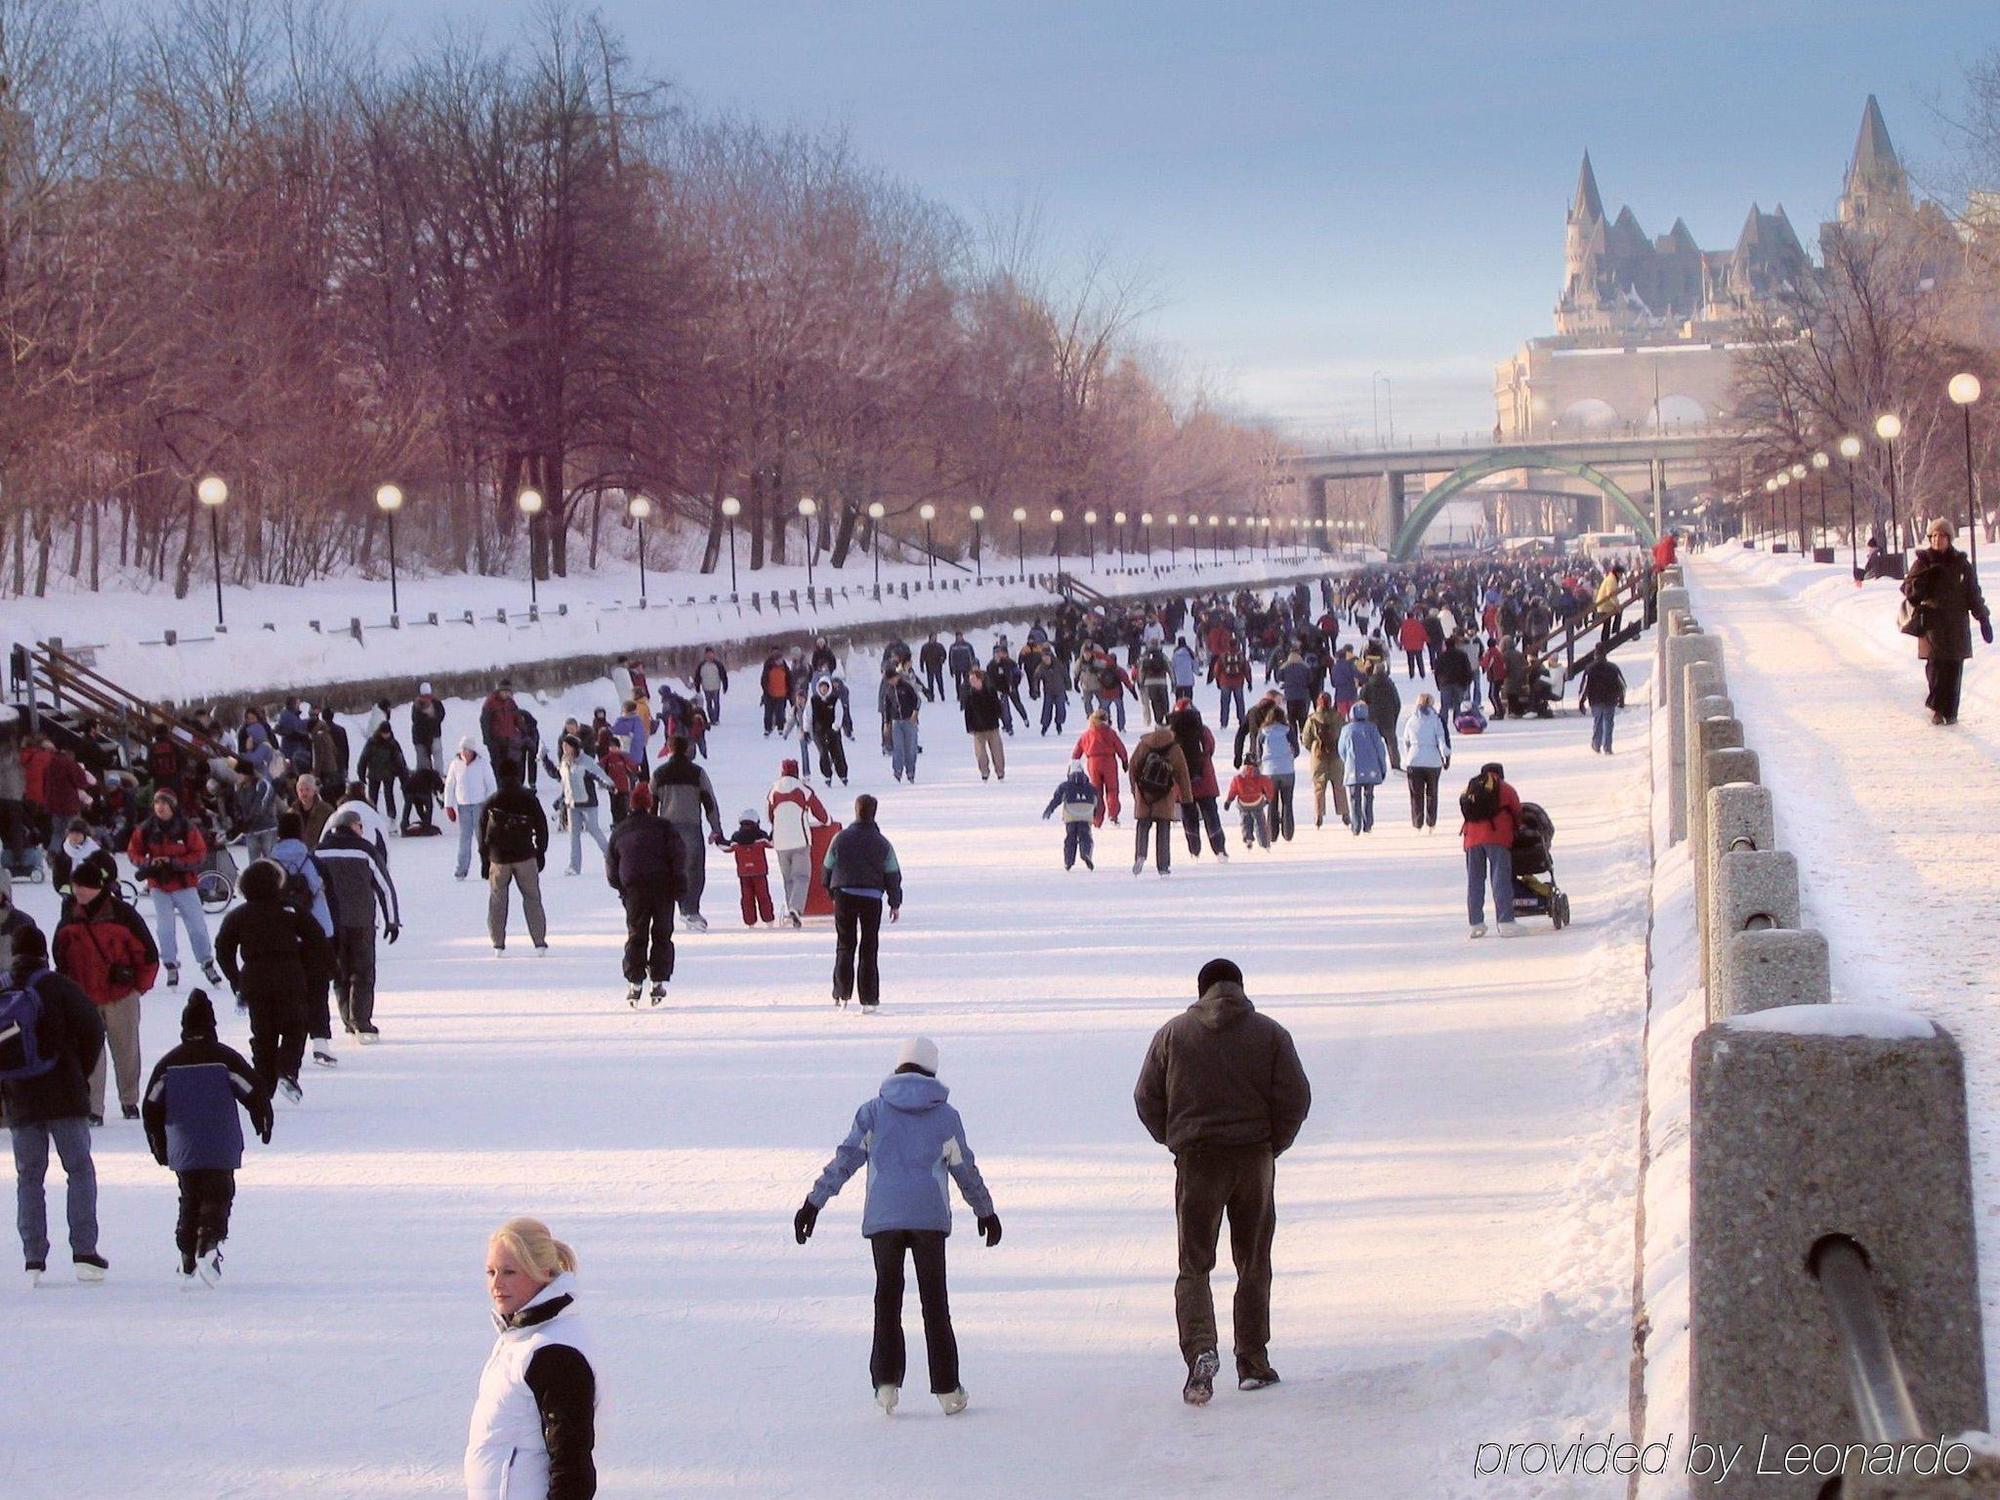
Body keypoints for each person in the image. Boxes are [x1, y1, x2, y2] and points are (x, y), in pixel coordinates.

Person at [1133, 958, 1311, 1405]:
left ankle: (1200, 1351)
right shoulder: (1271, 1034)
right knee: (1253, 1261)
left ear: (1201, 992)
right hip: (1254, 1159)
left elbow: (1145, 1096)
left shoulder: (1173, 1034)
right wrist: (1273, 1145)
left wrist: (1175, 1140)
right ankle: (1252, 1361)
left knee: (1195, 1265)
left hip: (1198, 1161)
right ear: (1240, 988)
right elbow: (1297, 1097)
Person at [792, 1036, 999, 1416]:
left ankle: (886, 1385)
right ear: (931, 1070)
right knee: (935, 1303)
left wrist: (813, 1202)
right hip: (929, 1219)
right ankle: (948, 1391)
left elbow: (845, 1160)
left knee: (887, 1299)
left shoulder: (873, 1112)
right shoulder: (945, 1116)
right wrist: (984, 1211)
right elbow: (964, 1170)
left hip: (884, 1220)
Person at [140, 989, 273, 1286]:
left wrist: (159, 1145)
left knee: (190, 1195)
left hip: (183, 1145)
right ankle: (208, 1243)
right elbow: (254, 1091)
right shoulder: (224, 1058)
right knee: (218, 1193)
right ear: (211, 1026)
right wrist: (262, 1119)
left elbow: (150, 1107)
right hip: (219, 1143)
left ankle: (187, 1253)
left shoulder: (168, 1064)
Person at [2, 926, 109, 1285]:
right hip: (65, 1093)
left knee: (29, 1177)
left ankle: (34, 1257)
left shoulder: (3, 990)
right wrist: (80, 1071)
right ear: (44, 951)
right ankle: (84, 1253)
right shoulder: (61, 987)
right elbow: (94, 1029)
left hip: (21, 1098)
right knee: (78, 1170)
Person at [466, 1218, 597, 1500]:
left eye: (510, 1272)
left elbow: (572, 1467)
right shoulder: (518, 1341)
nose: (496, 1284)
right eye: (491, 1272)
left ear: (543, 1272)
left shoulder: (554, 1352)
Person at [53, 851, 159, 1124]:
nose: (77, 891)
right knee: (89, 1055)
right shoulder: (70, 917)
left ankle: (129, 1100)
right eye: (75, 886)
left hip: (120, 997)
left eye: (82, 886)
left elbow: (147, 955)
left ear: (96, 887)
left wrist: (137, 988)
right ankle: (93, 1107)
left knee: (126, 1051)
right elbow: (60, 958)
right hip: (84, 998)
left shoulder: (123, 915)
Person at [215, 858, 333, 1103]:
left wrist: (236, 979)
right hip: (289, 974)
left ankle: (263, 1085)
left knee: (263, 1034)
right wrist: (322, 968)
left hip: (254, 978)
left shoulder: (239, 915)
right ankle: (287, 1070)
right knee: (295, 1026)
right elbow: (317, 938)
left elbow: (223, 948)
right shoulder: (290, 909)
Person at [317, 810, 402, 1040]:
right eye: (360, 826)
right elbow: (384, 887)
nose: (362, 830)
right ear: (353, 826)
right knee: (362, 971)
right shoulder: (365, 850)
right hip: (361, 920)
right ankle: (361, 1022)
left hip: (330, 924)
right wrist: (392, 920)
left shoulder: (320, 851)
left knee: (340, 972)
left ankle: (347, 1019)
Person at [1902, 518, 1993, 725]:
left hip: (1956, 624)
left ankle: (1950, 712)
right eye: (1933, 535)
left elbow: (1973, 593)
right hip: (1932, 623)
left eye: (1941, 535)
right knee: (1935, 667)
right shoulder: (1923, 561)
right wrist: (1923, 579)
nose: (1936, 539)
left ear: (1949, 538)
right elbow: (1909, 591)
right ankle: (1936, 707)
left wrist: (1983, 618)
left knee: (1954, 667)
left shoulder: (1961, 564)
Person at [128, 788, 221, 990]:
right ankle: (170, 964)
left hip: (184, 884)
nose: (160, 807)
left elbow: (199, 853)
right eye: (157, 803)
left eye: (164, 803)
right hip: (159, 885)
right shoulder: (146, 828)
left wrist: (174, 862)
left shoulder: (186, 827)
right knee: (165, 929)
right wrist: (149, 863)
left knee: (197, 927)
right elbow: (133, 852)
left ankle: (206, 962)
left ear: (172, 806)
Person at [604, 786, 685, 1007]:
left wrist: (622, 888)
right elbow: (678, 856)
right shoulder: (664, 827)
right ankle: (657, 979)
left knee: (637, 933)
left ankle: (634, 981)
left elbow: (612, 867)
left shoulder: (620, 830)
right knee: (662, 933)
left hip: (634, 889)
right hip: (663, 886)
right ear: (649, 804)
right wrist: (680, 884)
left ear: (631, 805)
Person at [822, 795, 902, 1011]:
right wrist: (895, 902)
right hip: (871, 897)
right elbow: (893, 874)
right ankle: (868, 999)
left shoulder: (840, 838)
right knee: (869, 946)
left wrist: (831, 891)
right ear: (874, 813)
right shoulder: (883, 843)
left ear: (856, 811)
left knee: (845, 944)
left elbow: (827, 867)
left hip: (844, 894)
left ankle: (841, 994)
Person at [652, 738, 725, 932]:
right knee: (694, 869)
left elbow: (651, 803)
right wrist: (716, 828)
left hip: (666, 828)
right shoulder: (697, 773)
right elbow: (709, 801)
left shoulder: (659, 774)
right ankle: (690, 909)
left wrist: (650, 830)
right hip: (691, 825)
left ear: (669, 750)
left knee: (671, 870)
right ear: (687, 751)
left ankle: (675, 909)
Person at [479, 761, 550, 955]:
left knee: (497, 900)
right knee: (532, 898)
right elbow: (542, 827)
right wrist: (540, 852)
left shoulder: (492, 801)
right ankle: (539, 943)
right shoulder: (528, 799)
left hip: (499, 858)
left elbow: (481, 833)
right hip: (525, 855)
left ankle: (498, 944)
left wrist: (485, 860)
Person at [1461, 761, 1523, 939]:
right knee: (1500, 879)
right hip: (1497, 837)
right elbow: (1517, 812)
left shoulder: (1471, 787)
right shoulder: (1505, 788)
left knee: (1475, 881)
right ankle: (1505, 922)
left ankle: (1476, 923)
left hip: (1471, 839)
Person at [766, 761, 830, 928]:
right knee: (801, 877)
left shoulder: (773, 790)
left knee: (788, 879)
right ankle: (796, 909)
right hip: (800, 839)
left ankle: (790, 910)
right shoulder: (803, 789)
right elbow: (820, 812)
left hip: (780, 843)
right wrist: (828, 821)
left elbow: (769, 816)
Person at [1127, 720, 1192, 877]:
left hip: (1144, 792)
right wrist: (1187, 799)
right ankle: (1163, 866)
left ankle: (1140, 855)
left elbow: (1133, 766)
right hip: (1164, 793)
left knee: (1143, 825)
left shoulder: (1144, 744)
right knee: (1163, 829)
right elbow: (1183, 775)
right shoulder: (1175, 748)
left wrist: (1134, 789)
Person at [546, 736, 615, 874]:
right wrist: (545, 760)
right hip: (572, 804)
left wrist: (610, 785)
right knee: (573, 835)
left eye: (567, 746)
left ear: (574, 747)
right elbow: (559, 776)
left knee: (594, 830)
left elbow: (598, 774)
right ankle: (574, 866)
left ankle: (612, 858)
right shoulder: (565, 762)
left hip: (588, 802)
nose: (564, 749)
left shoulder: (586, 761)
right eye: (563, 746)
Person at [444, 740, 498, 880]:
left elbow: (491, 784)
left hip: (480, 805)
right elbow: (450, 785)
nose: (465, 753)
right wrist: (448, 805)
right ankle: (461, 870)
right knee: (464, 840)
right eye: (463, 750)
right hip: (463, 807)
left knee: (483, 839)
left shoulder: (482, 764)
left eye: (468, 750)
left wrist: (491, 803)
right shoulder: (455, 764)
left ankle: (487, 868)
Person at [1335, 701, 1388, 836]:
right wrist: (1382, 767)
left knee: (1354, 797)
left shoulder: (1346, 730)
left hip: (1353, 768)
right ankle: (1368, 823)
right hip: (1371, 768)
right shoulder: (1372, 728)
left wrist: (1347, 761)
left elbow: (1341, 749)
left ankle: (1356, 825)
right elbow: (1380, 749)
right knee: (1369, 796)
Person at [1399, 692, 1451, 830]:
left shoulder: (1411, 720)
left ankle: (1417, 822)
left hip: (1414, 760)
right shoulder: (1436, 720)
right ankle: (1431, 822)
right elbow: (1441, 740)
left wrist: (1407, 755)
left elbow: (1406, 740)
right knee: (1432, 793)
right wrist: (1446, 755)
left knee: (1416, 794)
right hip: (1433, 762)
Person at [1299, 693, 1349, 830]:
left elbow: (1305, 740)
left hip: (1318, 756)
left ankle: (1318, 815)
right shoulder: (1338, 717)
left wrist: (1314, 749)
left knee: (1319, 787)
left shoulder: (1312, 719)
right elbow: (1345, 734)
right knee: (1339, 785)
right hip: (1336, 755)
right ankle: (1344, 812)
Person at [1070, 710, 1128, 827]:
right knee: (1112, 790)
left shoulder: (1086, 734)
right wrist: (1124, 760)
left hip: (1093, 763)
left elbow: (1076, 752)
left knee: (1096, 792)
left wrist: (1074, 765)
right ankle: (1113, 815)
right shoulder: (1110, 733)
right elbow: (1120, 747)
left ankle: (1097, 819)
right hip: (1109, 762)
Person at [1041, 760, 1101, 871]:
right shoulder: (1091, 787)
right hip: (1086, 815)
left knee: (1070, 838)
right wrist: (1095, 815)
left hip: (1071, 816)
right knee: (1085, 836)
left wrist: (1049, 810)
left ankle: (1068, 861)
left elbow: (1056, 800)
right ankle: (1086, 853)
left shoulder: (1064, 786)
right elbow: (1096, 801)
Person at [725, 810, 776, 927]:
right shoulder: (761, 836)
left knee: (747, 898)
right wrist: (774, 828)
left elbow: (726, 847)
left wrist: (717, 838)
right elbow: (772, 843)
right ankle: (769, 920)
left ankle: (750, 922)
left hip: (743, 874)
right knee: (763, 896)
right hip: (760, 872)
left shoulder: (736, 837)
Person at [878, 666, 922, 784]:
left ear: (897, 677)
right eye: (889, 680)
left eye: (892, 679)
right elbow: (886, 707)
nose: (891, 682)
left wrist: (915, 713)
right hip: (896, 721)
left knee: (910, 748)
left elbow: (917, 700)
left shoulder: (906, 686)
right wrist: (887, 723)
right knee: (898, 748)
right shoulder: (889, 690)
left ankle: (910, 772)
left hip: (909, 720)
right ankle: (897, 771)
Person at [961, 670, 1007, 782]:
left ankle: (1000, 773)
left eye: (973, 679)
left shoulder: (990, 691)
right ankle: (984, 773)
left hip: (992, 727)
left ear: (980, 679)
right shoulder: (970, 695)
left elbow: (998, 707)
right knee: (980, 754)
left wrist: (999, 717)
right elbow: (968, 712)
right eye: (970, 680)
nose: (971, 682)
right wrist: (969, 727)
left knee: (997, 752)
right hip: (978, 729)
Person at [1576, 654, 1628, 754]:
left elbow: (1584, 687)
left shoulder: (1589, 669)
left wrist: (1581, 701)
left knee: (1598, 721)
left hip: (1595, 699)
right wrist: (1621, 699)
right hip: (1610, 699)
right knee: (1608, 722)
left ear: (1595, 655)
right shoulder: (1613, 667)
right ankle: (1607, 747)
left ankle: (1596, 743)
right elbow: (1623, 685)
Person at [1223, 761, 1274, 851]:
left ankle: (1248, 839)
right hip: (1257, 803)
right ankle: (1264, 843)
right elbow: (1268, 787)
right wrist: (1268, 799)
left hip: (1243, 804)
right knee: (1260, 822)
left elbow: (1233, 791)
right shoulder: (1261, 777)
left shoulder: (1237, 778)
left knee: (1245, 821)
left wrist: (1228, 801)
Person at [410, 682, 447, 777]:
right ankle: (437, 778)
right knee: (434, 757)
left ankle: (428, 779)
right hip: (428, 736)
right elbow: (441, 716)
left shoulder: (416, 705)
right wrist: (432, 720)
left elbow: (416, 720)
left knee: (424, 760)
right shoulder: (435, 703)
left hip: (422, 737)